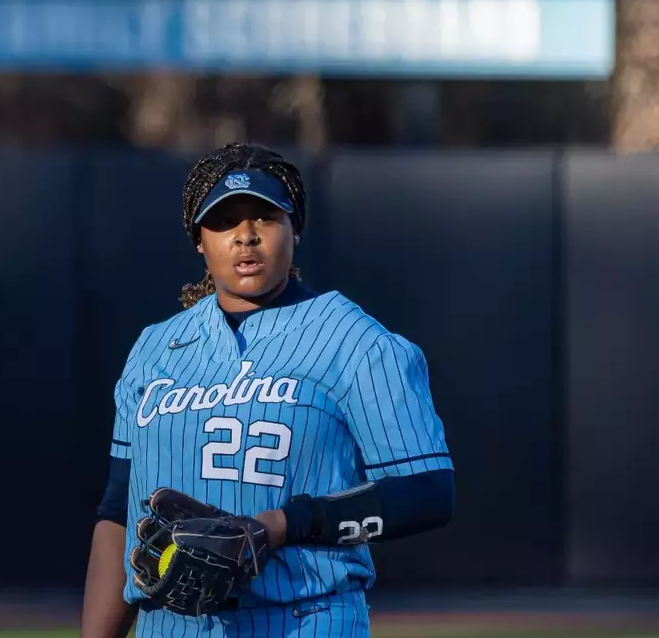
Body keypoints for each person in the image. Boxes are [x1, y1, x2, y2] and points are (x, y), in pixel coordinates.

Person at [81, 143, 456, 638]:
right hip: (171, 626)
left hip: (305, 620)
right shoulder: (155, 349)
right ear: (199, 240)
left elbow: (429, 492)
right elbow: (117, 512)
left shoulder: (357, 342)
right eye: (224, 220)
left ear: (294, 227)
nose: (245, 236)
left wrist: (287, 523)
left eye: (264, 216)